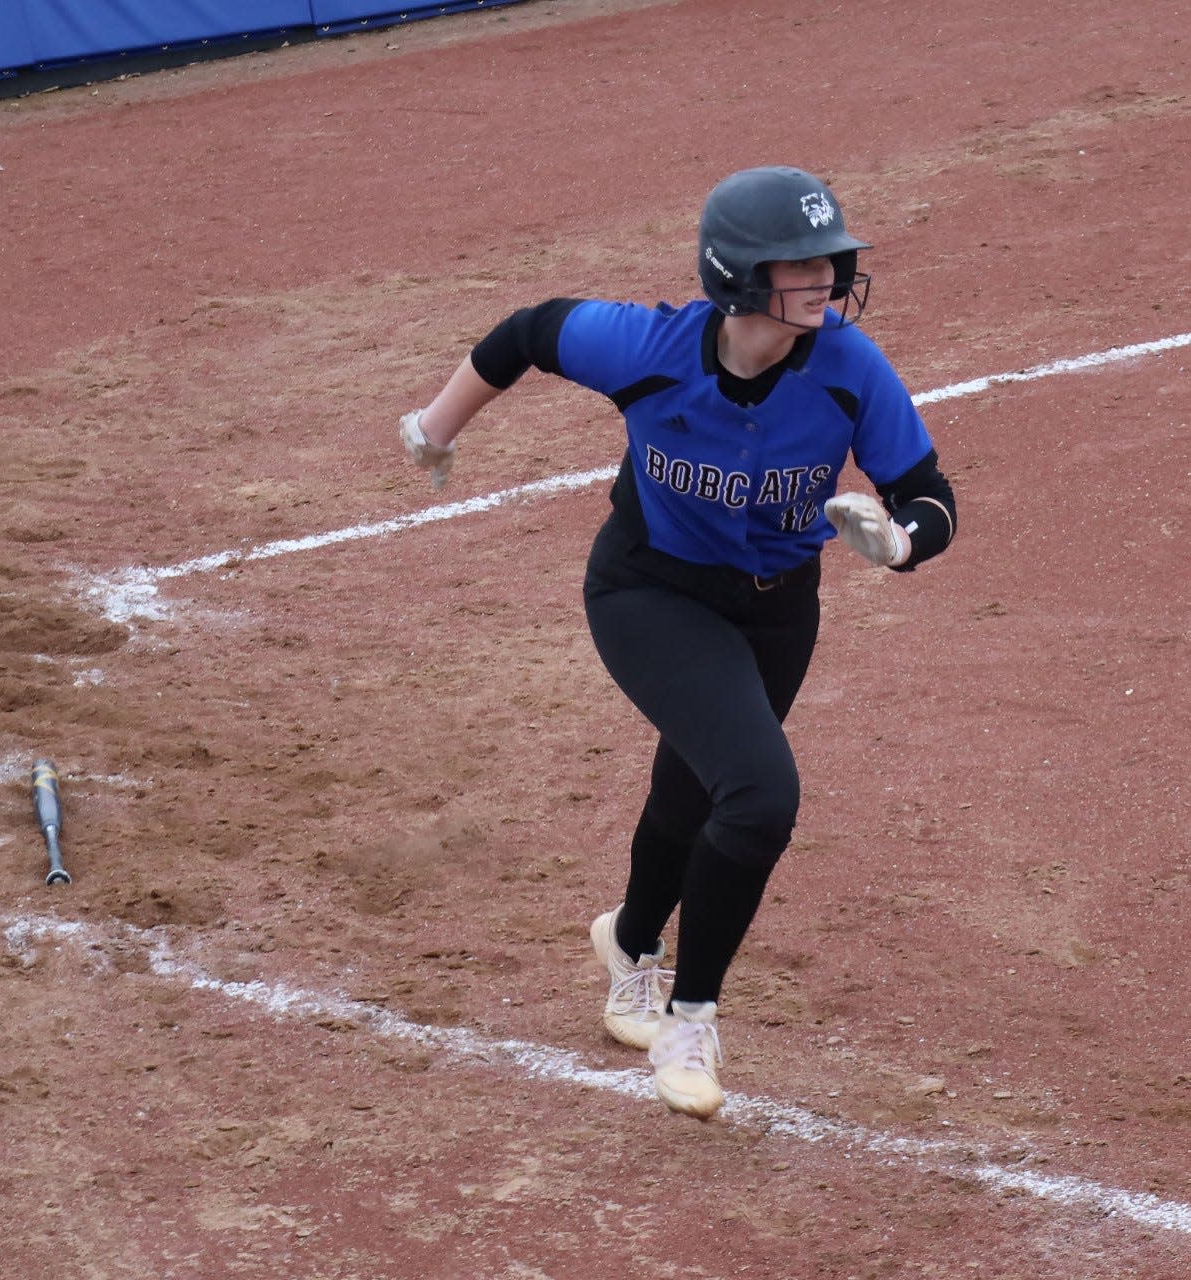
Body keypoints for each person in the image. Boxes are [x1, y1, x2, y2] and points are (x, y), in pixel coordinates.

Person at [398, 166, 957, 1120]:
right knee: (759, 791)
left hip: (779, 607)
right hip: (648, 591)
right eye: (801, 264)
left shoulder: (849, 366)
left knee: (695, 787)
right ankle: (690, 1019)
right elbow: (528, 332)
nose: (827, 278)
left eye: (832, 259)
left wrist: (899, 543)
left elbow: (929, 492)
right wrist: (433, 431)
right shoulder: (647, 347)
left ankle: (630, 940)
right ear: (737, 275)